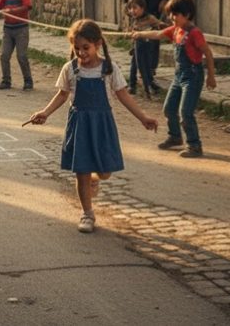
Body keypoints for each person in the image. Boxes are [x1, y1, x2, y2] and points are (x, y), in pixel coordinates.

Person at [28, 19, 158, 233]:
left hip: (102, 126)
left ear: (98, 44)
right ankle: (87, 213)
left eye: (85, 47)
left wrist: (143, 118)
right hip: (79, 126)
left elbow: (123, 95)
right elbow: (62, 95)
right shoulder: (70, 69)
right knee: (82, 171)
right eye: (77, 48)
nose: (81, 53)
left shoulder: (109, 69)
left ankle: (95, 179)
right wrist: (45, 112)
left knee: (105, 171)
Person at [130, 0, 216, 158]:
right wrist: (140, 34)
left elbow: (208, 53)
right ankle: (175, 136)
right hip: (178, 76)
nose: (171, 17)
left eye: (175, 14)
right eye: (170, 14)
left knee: (186, 113)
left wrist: (211, 76)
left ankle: (194, 145)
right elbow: (158, 34)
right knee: (169, 109)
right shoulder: (176, 30)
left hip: (193, 76)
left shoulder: (195, 33)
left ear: (187, 15)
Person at [125, 0, 167, 96]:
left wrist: (163, 26)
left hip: (147, 47)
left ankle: (150, 83)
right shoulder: (133, 20)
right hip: (136, 47)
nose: (132, 11)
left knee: (146, 66)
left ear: (142, 8)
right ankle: (132, 85)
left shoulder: (150, 18)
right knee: (134, 66)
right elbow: (130, 31)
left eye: (135, 8)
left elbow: (159, 24)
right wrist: (127, 34)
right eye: (130, 8)